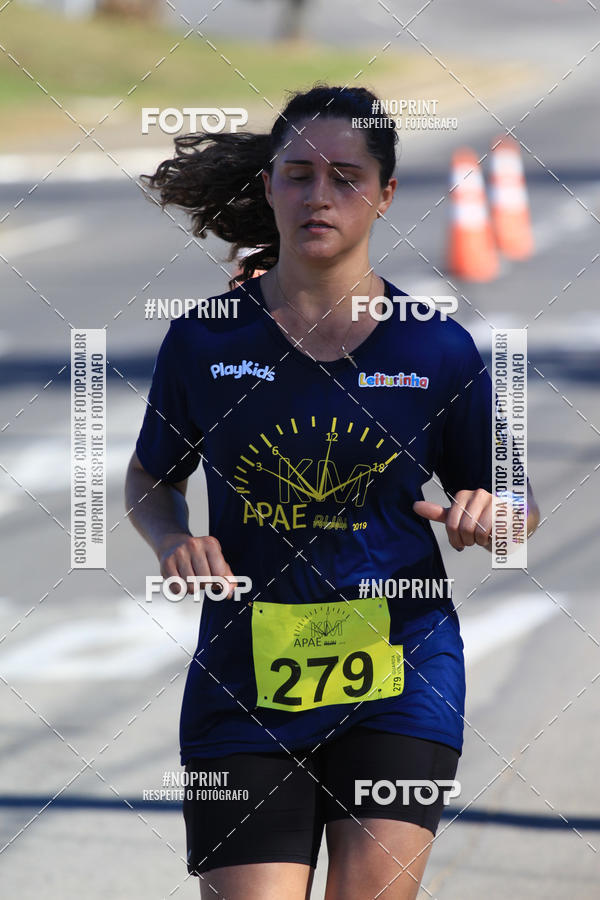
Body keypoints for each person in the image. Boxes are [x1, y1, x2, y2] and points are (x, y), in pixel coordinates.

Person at [125, 84, 540, 900]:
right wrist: (171, 537)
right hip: (242, 686)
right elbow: (151, 477)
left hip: (402, 675)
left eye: (347, 177)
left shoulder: (437, 348)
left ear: (385, 195)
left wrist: (495, 518)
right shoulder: (206, 340)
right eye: (298, 175)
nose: (320, 196)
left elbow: (512, 500)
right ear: (270, 187)